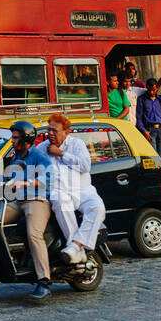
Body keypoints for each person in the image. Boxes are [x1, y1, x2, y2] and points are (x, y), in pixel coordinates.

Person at [39, 113, 106, 264]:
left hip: (82, 191)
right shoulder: (42, 148)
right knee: (60, 201)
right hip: (59, 192)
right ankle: (77, 250)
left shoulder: (76, 145)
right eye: (48, 130)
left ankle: (75, 246)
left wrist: (61, 154)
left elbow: (85, 166)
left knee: (98, 207)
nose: (50, 133)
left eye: (54, 131)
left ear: (66, 132)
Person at [5, 120, 57, 300]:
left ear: (26, 139)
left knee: (34, 234)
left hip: (37, 200)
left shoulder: (38, 156)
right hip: (18, 201)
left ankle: (43, 280)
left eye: (15, 138)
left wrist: (26, 182)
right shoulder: (15, 157)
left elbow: (49, 177)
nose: (12, 141)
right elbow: (10, 179)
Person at [136, 79, 161, 157]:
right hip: (150, 130)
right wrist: (144, 131)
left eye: (154, 90)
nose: (152, 92)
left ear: (156, 89)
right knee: (153, 156)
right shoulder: (142, 100)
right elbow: (139, 117)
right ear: (147, 88)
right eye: (149, 90)